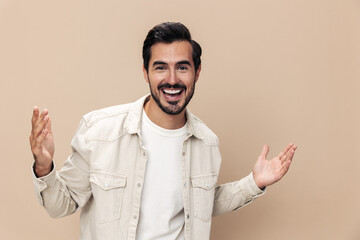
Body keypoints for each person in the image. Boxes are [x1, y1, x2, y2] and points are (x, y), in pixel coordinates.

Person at [30, 22, 297, 240]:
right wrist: (44, 167)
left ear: (197, 72)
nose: (172, 79)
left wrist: (254, 182)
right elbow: (59, 206)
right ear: (146, 72)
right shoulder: (100, 132)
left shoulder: (207, 143)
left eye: (182, 67)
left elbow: (202, 202)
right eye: (160, 67)